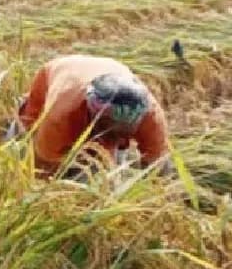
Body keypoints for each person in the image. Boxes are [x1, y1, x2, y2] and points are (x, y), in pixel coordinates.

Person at [13, 54, 170, 178]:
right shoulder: (61, 114)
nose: (111, 138)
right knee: (23, 141)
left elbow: (156, 165)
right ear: (93, 113)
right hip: (63, 71)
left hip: (111, 68)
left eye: (121, 133)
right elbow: (43, 168)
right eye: (108, 129)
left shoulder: (150, 116)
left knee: (106, 173)